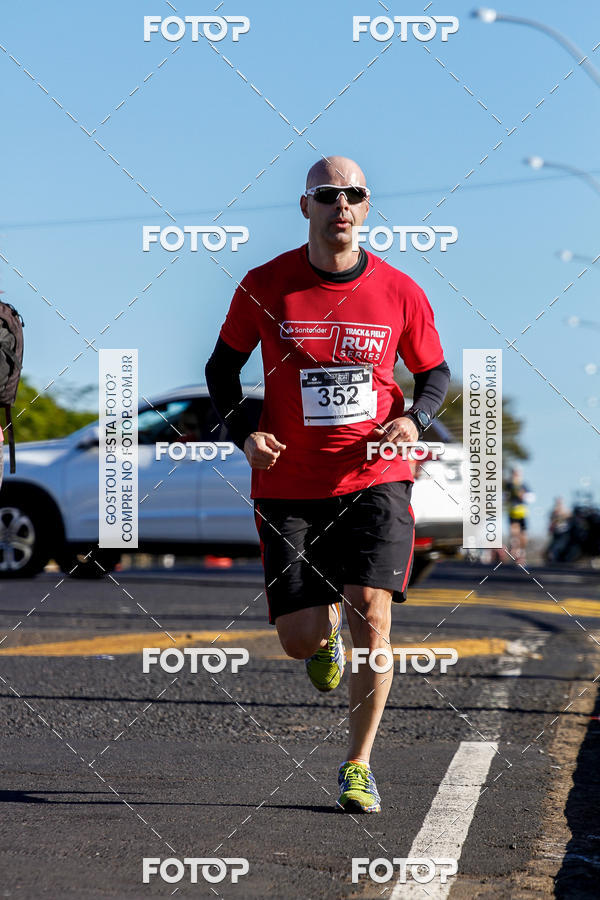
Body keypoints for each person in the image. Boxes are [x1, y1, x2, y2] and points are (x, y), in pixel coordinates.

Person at [205, 156, 450, 814]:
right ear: (306, 206)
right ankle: (323, 627)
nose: (342, 204)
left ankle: (357, 765)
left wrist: (411, 418)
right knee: (299, 640)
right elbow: (221, 371)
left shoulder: (400, 291)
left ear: (366, 208)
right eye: (328, 194)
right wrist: (244, 434)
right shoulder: (265, 285)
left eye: (355, 195)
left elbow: (435, 375)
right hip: (288, 482)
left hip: (374, 474)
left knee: (376, 614)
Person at [505, 466, 533, 564]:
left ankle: (521, 553)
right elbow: (503, 496)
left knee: (523, 536)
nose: (515, 475)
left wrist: (523, 496)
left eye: (517, 473)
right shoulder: (508, 485)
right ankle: (515, 551)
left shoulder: (524, 485)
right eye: (514, 473)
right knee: (514, 533)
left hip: (522, 513)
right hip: (512, 513)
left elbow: (531, 497)